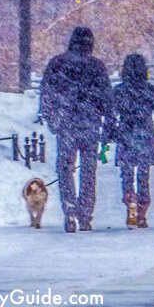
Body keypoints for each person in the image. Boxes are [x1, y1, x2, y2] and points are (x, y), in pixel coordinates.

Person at [40, 27, 116, 233]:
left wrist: (51, 118)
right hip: (90, 123)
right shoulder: (96, 66)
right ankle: (85, 214)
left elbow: (46, 92)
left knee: (65, 168)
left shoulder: (57, 63)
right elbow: (107, 98)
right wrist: (109, 123)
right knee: (88, 171)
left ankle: (69, 208)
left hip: (66, 124)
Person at [106, 53, 154, 229]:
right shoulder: (151, 90)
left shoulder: (119, 91)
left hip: (126, 135)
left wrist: (108, 136)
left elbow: (110, 116)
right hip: (145, 135)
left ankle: (130, 201)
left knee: (127, 175)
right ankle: (143, 213)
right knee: (144, 177)